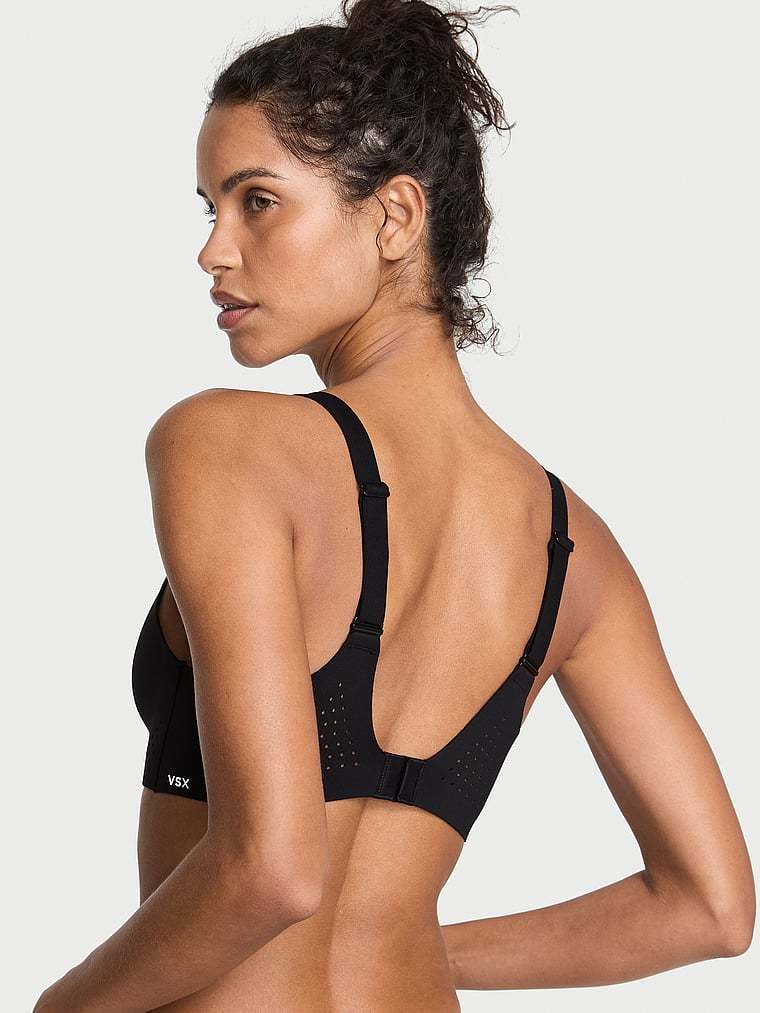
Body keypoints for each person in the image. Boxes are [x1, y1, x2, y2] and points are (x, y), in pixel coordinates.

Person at [34, 0, 754, 1009]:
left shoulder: (228, 444)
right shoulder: (573, 545)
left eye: (257, 201)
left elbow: (272, 868)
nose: (214, 251)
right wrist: (401, 945)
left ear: (394, 217)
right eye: (209, 209)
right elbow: (710, 906)